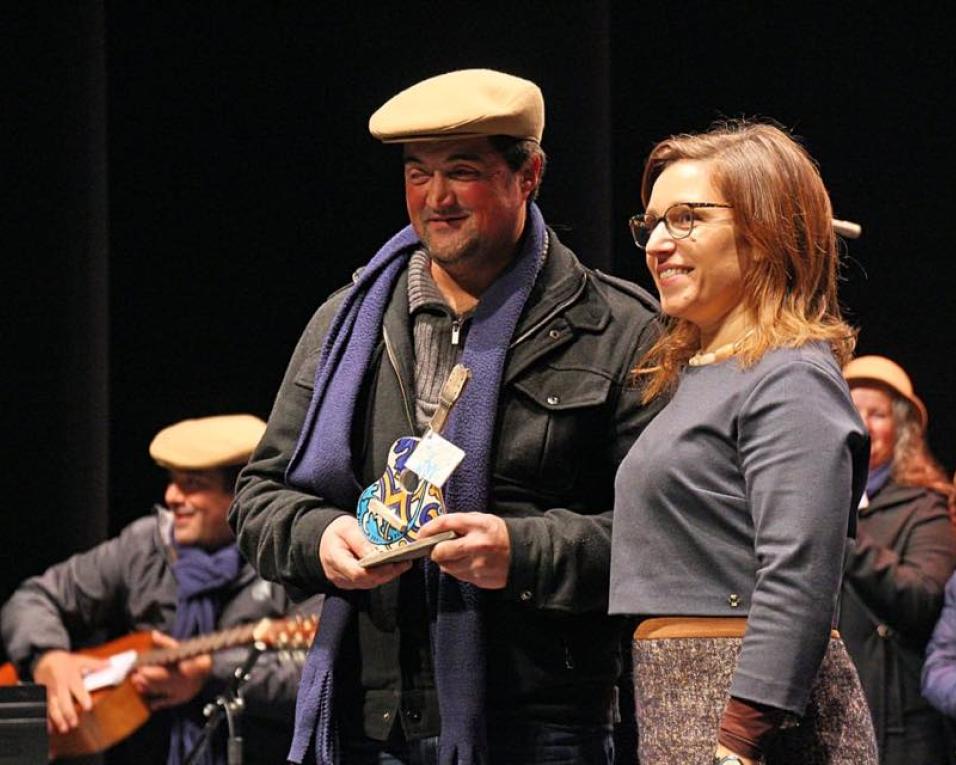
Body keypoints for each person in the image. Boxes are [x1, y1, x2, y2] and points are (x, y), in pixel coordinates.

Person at [228, 68, 661, 765]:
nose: (436, 198)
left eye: (462, 171)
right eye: (417, 173)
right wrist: (323, 535)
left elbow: (662, 537)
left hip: (543, 725)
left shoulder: (618, 329)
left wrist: (521, 551)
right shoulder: (346, 322)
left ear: (530, 175)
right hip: (375, 721)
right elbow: (258, 499)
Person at [608, 120, 877, 765]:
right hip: (680, 694)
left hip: (746, 717)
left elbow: (799, 574)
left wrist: (740, 739)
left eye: (687, 219)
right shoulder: (703, 373)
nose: (659, 244)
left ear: (764, 234)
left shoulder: (789, 375)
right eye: (651, 225)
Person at [1, 414, 317, 765]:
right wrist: (47, 658)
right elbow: (34, 598)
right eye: (172, 481)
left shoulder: (287, 554)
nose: (171, 496)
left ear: (241, 495)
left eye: (192, 484)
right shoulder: (144, 546)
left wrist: (212, 672)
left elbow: (315, 674)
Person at [839, 355, 956, 763]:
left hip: (897, 722)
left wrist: (845, 529)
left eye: (878, 414)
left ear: (902, 429)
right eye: (852, 410)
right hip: (830, 705)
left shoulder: (925, 507)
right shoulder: (805, 501)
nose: (863, 424)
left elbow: (922, 601)